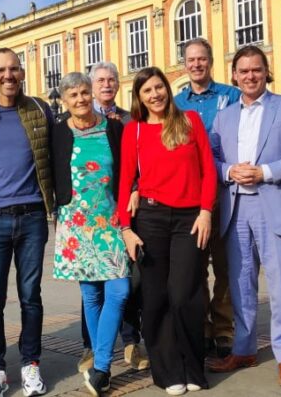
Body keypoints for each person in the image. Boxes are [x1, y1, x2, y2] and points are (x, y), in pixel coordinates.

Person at [206, 46, 281, 388]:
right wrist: (227, 171)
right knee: (240, 286)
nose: (250, 76)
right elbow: (209, 159)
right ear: (234, 76)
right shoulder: (224, 117)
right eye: (243, 70)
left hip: (275, 205)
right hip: (236, 209)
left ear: (266, 72)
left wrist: (265, 172)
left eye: (256, 69)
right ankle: (244, 349)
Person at [117, 67, 217, 395]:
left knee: (186, 294)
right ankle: (167, 371)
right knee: (156, 297)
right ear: (139, 98)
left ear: (167, 89)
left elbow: (208, 171)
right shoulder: (133, 131)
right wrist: (126, 229)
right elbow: (125, 180)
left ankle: (192, 367)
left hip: (190, 218)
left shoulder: (190, 121)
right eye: (147, 91)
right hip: (151, 219)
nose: (155, 94)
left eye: (159, 87)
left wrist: (205, 212)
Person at [0, 47, 54, 397]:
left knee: (30, 296)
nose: (8, 76)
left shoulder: (39, 109)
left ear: (22, 72)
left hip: (33, 215)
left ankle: (30, 364)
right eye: (0, 70)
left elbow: (59, 150)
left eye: (14, 69)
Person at [50, 72, 128, 396]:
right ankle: (102, 368)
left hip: (110, 221)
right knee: (91, 295)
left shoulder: (113, 128)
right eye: (73, 96)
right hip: (75, 222)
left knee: (120, 290)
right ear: (65, 101)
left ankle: (102, 365)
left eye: (84, 93)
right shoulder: (57, 133)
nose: (80, 99)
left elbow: (126, 170)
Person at [76, 62, 148, 374]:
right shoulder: (77, 120)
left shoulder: (131, 119)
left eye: (111, 80)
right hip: (90, 215)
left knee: (127, 281)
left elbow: (140, 161)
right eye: (100, 80)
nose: (106, 84)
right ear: (91, 86)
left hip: (124, 210)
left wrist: (135, 189)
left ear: (118, 85)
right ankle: (91, 348)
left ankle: (131, 341)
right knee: (91, 284)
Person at [173, 38, 240, 358]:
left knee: (227, 265)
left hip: (226, 192)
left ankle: (224, 328)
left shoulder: (231, 96)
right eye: (191, 60)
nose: (196, 64)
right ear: (184, 64)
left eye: (202, 59)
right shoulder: (175, 103)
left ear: (211, 62)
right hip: (190, 194)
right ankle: (200, 327)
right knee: (195, 266)